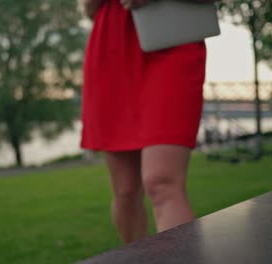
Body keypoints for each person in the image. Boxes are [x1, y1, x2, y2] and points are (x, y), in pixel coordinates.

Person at [79, 0, 207, 244]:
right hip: (112, 47)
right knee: (125, 191)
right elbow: (88, 8)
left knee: (161, 181)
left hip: (172, 39)